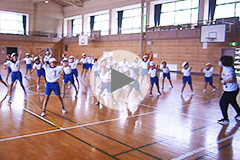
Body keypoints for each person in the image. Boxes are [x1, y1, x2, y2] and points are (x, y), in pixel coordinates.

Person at [217, 56, 240, 125]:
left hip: (231, 90)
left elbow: (231, 79)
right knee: (232, 101)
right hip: (231, 89)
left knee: (223, 103)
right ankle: (239, 114)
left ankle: (225, 119)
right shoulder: (225, 67)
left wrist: (224, 81)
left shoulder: (229, 69)